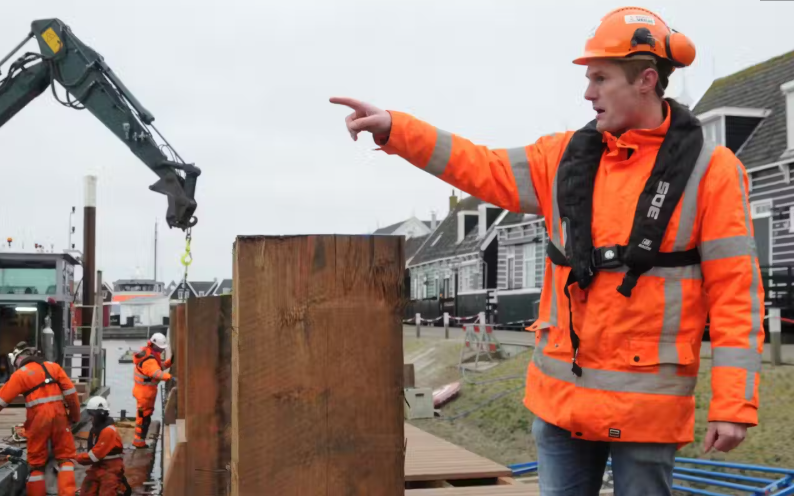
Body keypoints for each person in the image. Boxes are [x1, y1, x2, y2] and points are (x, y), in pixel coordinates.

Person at [331, 6, 764, 495]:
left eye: (600, 78)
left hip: (646, 411)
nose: (587, 92)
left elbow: (735, 293)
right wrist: (395, 128)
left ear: (646, 80)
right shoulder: (561, 158)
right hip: (561, 404)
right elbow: (479, 165)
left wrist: (733, 404)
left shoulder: (713, 170)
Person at [0, 343, 81, 496]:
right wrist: (74, 417)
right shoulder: (54, 367)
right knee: (65, 459)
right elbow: (72, 394)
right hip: (60, 418)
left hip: (38, 421)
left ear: (18, 359)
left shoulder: (20, 375)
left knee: (36, 465)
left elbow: (1, 400)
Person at [76, 396, 131, 496]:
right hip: (98, 466)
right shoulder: (96, 429)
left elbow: (95, 455)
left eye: (92, 415)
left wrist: (76, 457)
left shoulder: (108, 431)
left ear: (99, 415)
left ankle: (120, 488)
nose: (90, 418)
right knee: (86, 490)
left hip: (111, 468)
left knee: (107, 491)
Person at [131, 332, 173, 448]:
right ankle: (139, 441)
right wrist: (170, 377)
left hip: (145, 392)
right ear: (154, 345)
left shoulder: (151, 354)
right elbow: (156, 373)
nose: (161, 351)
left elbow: (159, 367)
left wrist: (170, 362)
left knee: (144, 416)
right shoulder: (149, 360)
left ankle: (139, 440)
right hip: (144, 393)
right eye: (160, 349)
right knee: (144, 418)